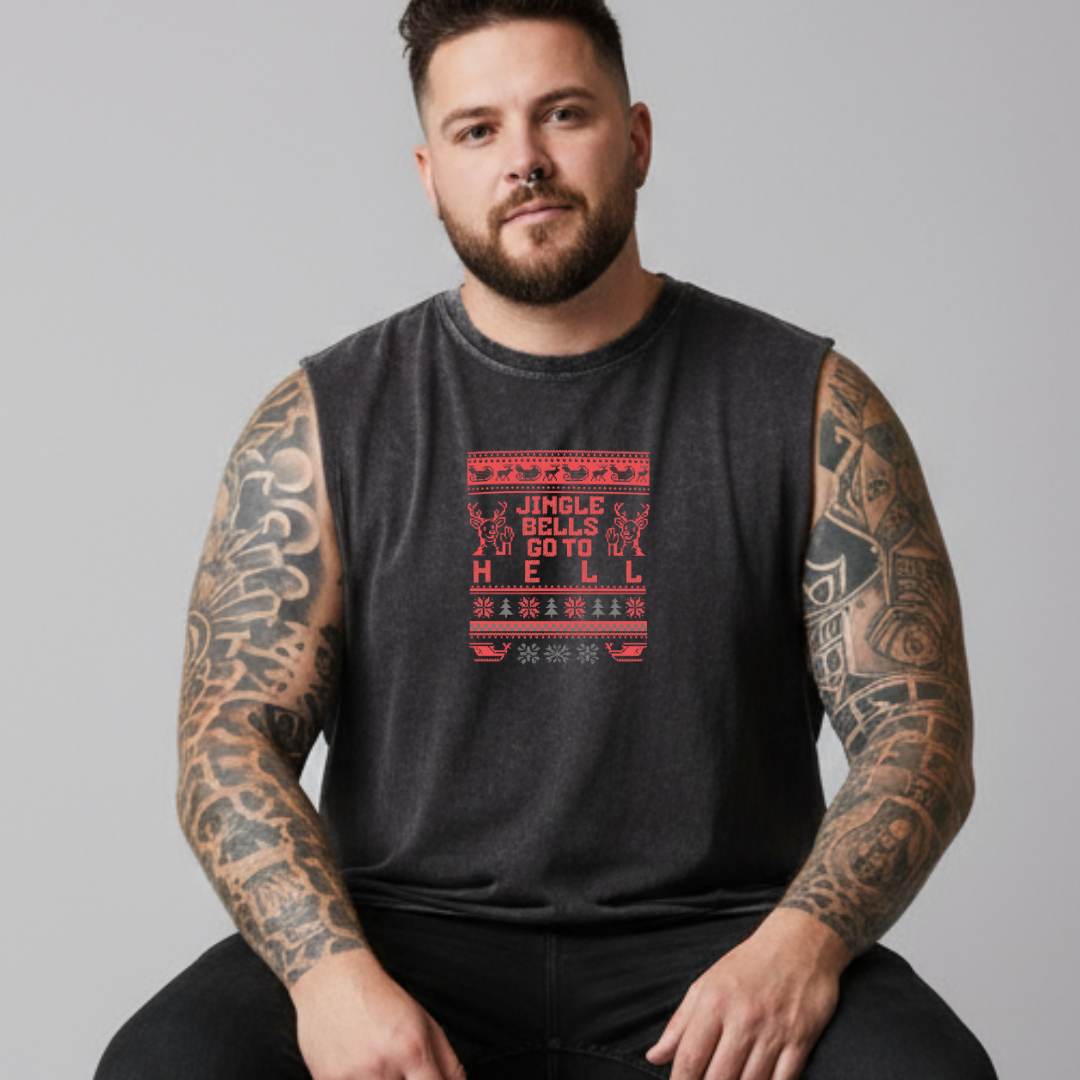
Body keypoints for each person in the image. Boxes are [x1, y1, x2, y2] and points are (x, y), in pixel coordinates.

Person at [95, 2, 998, 1078]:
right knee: (162, 1067)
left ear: (638, 139)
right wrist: (329, 977)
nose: (523, 160)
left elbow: (918, 737)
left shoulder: (811, 409)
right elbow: (228, 738)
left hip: (724, 939)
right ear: (431, 173)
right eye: (478, 130)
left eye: (562, 113)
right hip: (400, 938)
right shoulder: (319, 423)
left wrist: (799, 950)